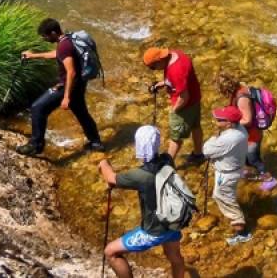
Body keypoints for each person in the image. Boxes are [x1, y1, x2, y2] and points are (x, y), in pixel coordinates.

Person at [98, 126, 185, 278]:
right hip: (173, 223)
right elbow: (173, 148)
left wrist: (103, 163)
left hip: (153, 231)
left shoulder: (139, 176)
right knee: (175, 257)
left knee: (111, 252)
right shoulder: (167, 160)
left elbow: (111, 178)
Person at [15, 18, 103, 156]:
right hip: (79, 85)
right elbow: (58, 55)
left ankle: (35, 145)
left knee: (38, 108)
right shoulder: (67, 39)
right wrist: (33, 56)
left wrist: (66, 96)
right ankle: (96, 143)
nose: (44, 39)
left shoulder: (64, 46)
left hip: (69, 86)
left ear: (54, 32)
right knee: (82, 114)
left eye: (45, 36)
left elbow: (71, 72)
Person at [214, 73, 277, 191]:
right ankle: (248, 171)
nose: (221, 93)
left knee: (254, 160)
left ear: (226, 88)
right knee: (247, 158)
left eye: (221, 90)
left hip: (252, 137)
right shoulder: (240, 86)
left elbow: (247, 120)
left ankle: (269, 179)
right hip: (249, 135)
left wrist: (229, 124)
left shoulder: (242, 98)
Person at [143, 47, 204, 164]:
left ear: (159, 60)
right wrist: (163, 83)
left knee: (175, 137)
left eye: (152, 67)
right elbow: (181, 80)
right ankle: (198, 154)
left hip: (185, 105)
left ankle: (167, 165)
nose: (154, 70)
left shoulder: (175, 71)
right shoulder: (175, 54)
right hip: (195, 97)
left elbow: (184, 97)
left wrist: (174, 110)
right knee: (196, 126)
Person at [203, 106, 251, 246]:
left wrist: (213, 137)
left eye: (219, 119)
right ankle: (240, 226)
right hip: (234, 170)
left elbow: (206, 151)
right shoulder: (240, 130)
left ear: (229, 123)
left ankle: (242, 233)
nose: (216, 120)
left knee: (224, 198)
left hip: (226, 175)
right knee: (222, 195)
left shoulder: (228, 139)